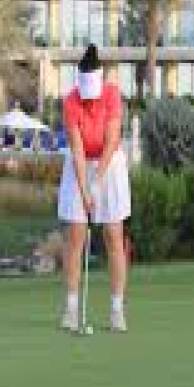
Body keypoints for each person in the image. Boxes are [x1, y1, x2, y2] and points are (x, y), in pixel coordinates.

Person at [57, 44, 131, 333]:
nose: (90, 100)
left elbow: (111, 142)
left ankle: (116, 310)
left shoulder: (111, 95)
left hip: (109, 165)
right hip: (79, 166)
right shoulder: (71, 102)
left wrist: (97, 182)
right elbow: (77, 150)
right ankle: (71, 308)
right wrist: (85, 190)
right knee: (76, 235)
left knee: (113, 234)